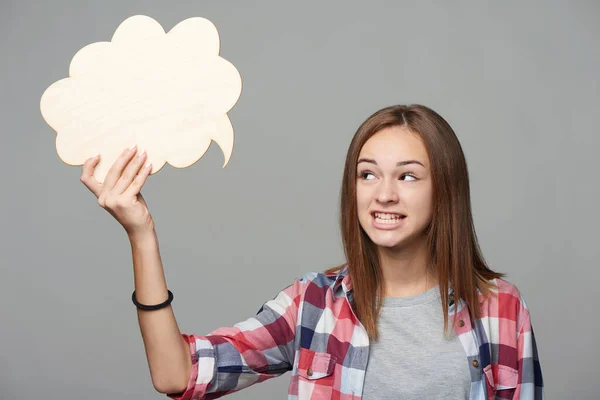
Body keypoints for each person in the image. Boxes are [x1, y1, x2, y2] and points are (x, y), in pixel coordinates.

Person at [80, 104, 544, 399]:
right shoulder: (313, 305)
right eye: (368, 174)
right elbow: (177, 375)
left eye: (407, 176)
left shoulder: (500, 308)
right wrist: (142, 235)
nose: (383, 194)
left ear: (444, 190)